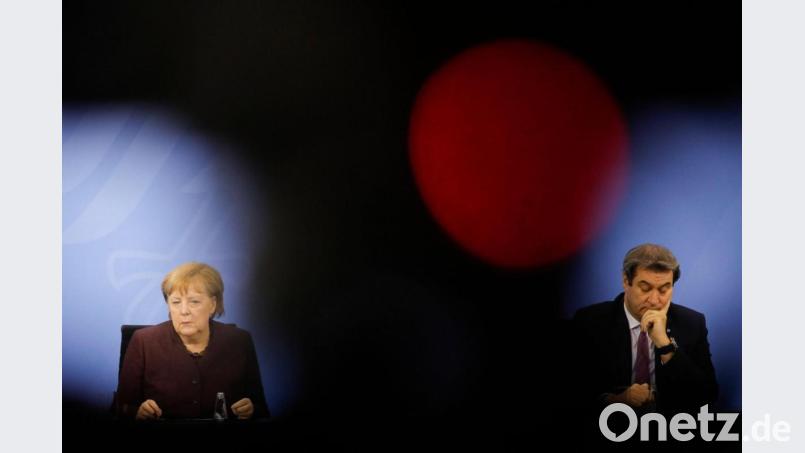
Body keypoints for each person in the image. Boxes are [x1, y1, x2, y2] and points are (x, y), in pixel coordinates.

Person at [572, 244, 718, 417]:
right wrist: (615, 400)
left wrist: (665, 345)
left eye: (664, 289)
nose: (655, 300)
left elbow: (707, 395)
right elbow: (571, 393)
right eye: (645, 288)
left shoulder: (692, 323)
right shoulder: (590, 321)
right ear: (626, 281)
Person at [116, 262, 270, 420]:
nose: (184, 311)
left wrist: (251, 410)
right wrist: (137, 412)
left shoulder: (239, 341)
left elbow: (260, 408)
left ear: (212, 304)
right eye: (176, 302)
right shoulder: (143, 341)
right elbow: (120, 408)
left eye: (194, 301)